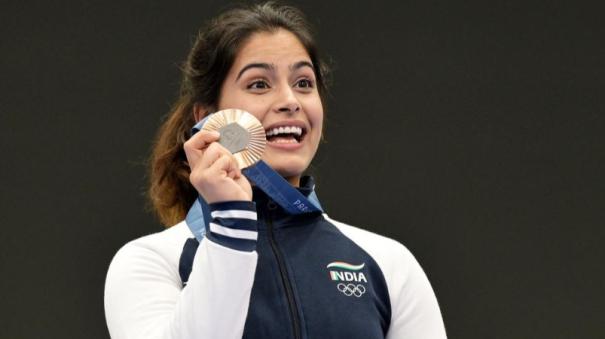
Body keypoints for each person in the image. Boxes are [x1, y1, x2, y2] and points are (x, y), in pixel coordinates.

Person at [104, 2, 447, 338]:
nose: (290, 101)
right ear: (206, 117)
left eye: (303, 83)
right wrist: (230, 221)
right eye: (259, 84)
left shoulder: (388, 263)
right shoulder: (150, 262)